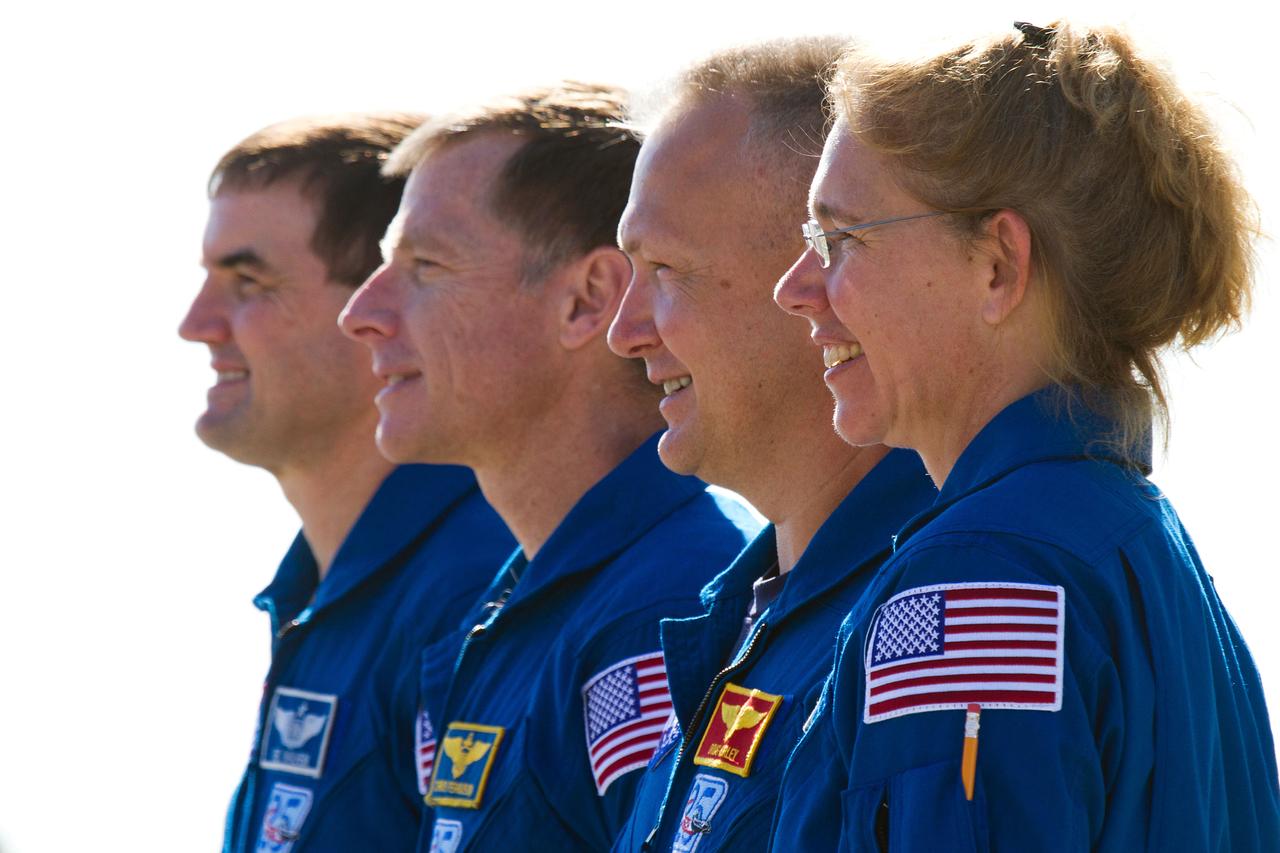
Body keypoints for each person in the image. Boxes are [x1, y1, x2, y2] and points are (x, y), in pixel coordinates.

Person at [770, 21, 1280, 850]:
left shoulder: (976, 578)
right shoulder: (1148, 552)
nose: (796, 287)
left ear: (999, 265)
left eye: (842, 237)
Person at [338, 83, 760, 853]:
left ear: (587, 300)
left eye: (426, 265)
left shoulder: (667, 607)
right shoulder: (518, 604)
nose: (361, 313)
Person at [605, 39, 935, 853]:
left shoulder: (929, 618)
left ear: (817, 273)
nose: (625, 332)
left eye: (665, 269)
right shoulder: (740, 622)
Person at [179, 114, 515, 853]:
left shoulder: (476, 592)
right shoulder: (328, 587)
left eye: (247, 282)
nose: (196, 324)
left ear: (378, 310)